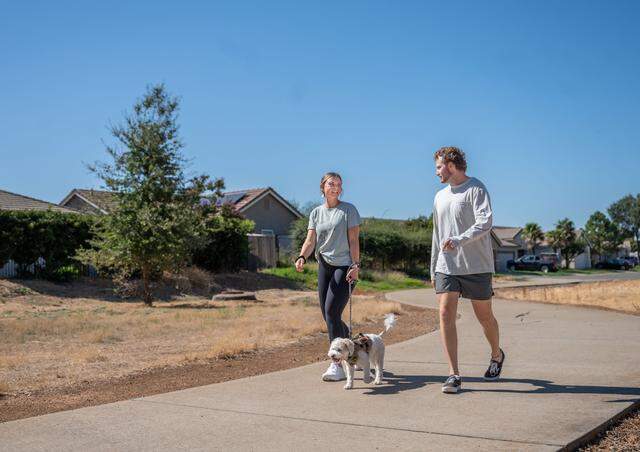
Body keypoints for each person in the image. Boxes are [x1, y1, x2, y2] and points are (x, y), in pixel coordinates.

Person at [430, 146, 505, 394]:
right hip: (447, 266)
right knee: (444, 314)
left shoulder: (476, 188)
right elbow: (437, 234)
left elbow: (485, 222)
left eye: (439, 167)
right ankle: (453, 374)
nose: (437, 172)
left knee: (484, 316)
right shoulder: (440, 196)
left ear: (451, 165)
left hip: (476, 265)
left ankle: (496, 354)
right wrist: (434, 267)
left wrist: (459, 240)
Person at [295, 172, 361, 381]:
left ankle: (337, 365)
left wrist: (355, 265)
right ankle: (353, 349)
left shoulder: (348, 210)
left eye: (339, 184)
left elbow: (353, 240)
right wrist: (302, 257)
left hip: (345, 266)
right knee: (327, 314)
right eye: (331, 184)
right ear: (322, 187)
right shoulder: (316, 212)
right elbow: (310, 240)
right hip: (324, 266)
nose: (336, 187)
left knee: (332, 312)